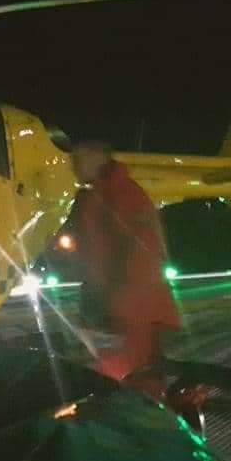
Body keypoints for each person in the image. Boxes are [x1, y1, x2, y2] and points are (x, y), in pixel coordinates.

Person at [69, 140, 180, 389]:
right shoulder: (99, 194)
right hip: (112, 312)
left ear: (98, 156)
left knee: (138, 386)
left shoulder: (124, 195)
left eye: (78, 159)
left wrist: (119, 311)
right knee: (116, 386)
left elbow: (143, 254)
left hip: (131, 314)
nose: (72, 166)